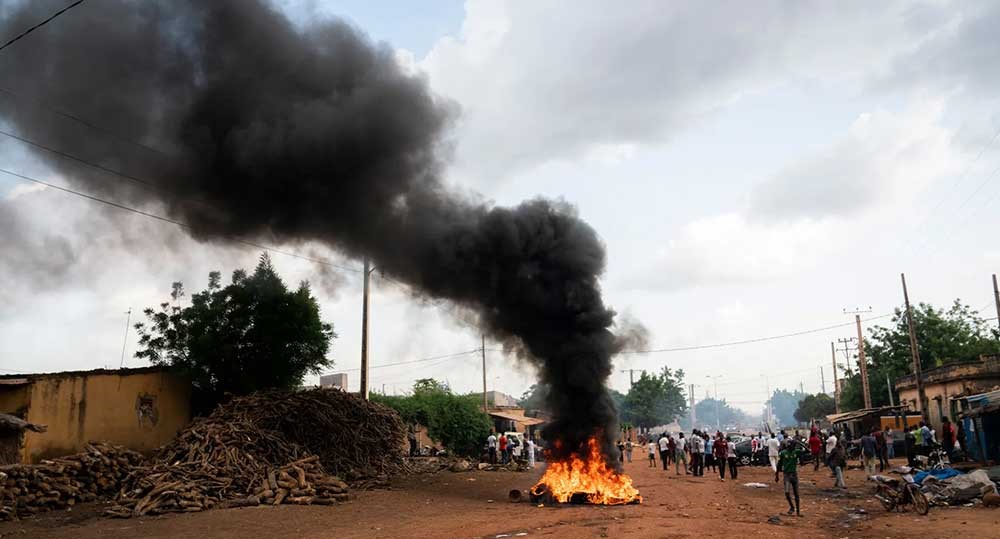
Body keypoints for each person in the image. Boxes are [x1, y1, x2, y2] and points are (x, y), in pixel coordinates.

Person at [776, 439, 802, 516]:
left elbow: (806, 450)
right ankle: (792, 507)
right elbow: (779, 465)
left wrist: (799, 443)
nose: (794, 447)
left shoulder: (796, 452)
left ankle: (798, 512)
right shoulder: (783, 453)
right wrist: (777, 475)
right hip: (787, 474)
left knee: (796, 494)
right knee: (787, 492)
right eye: (794, 445)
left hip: (794, 474)